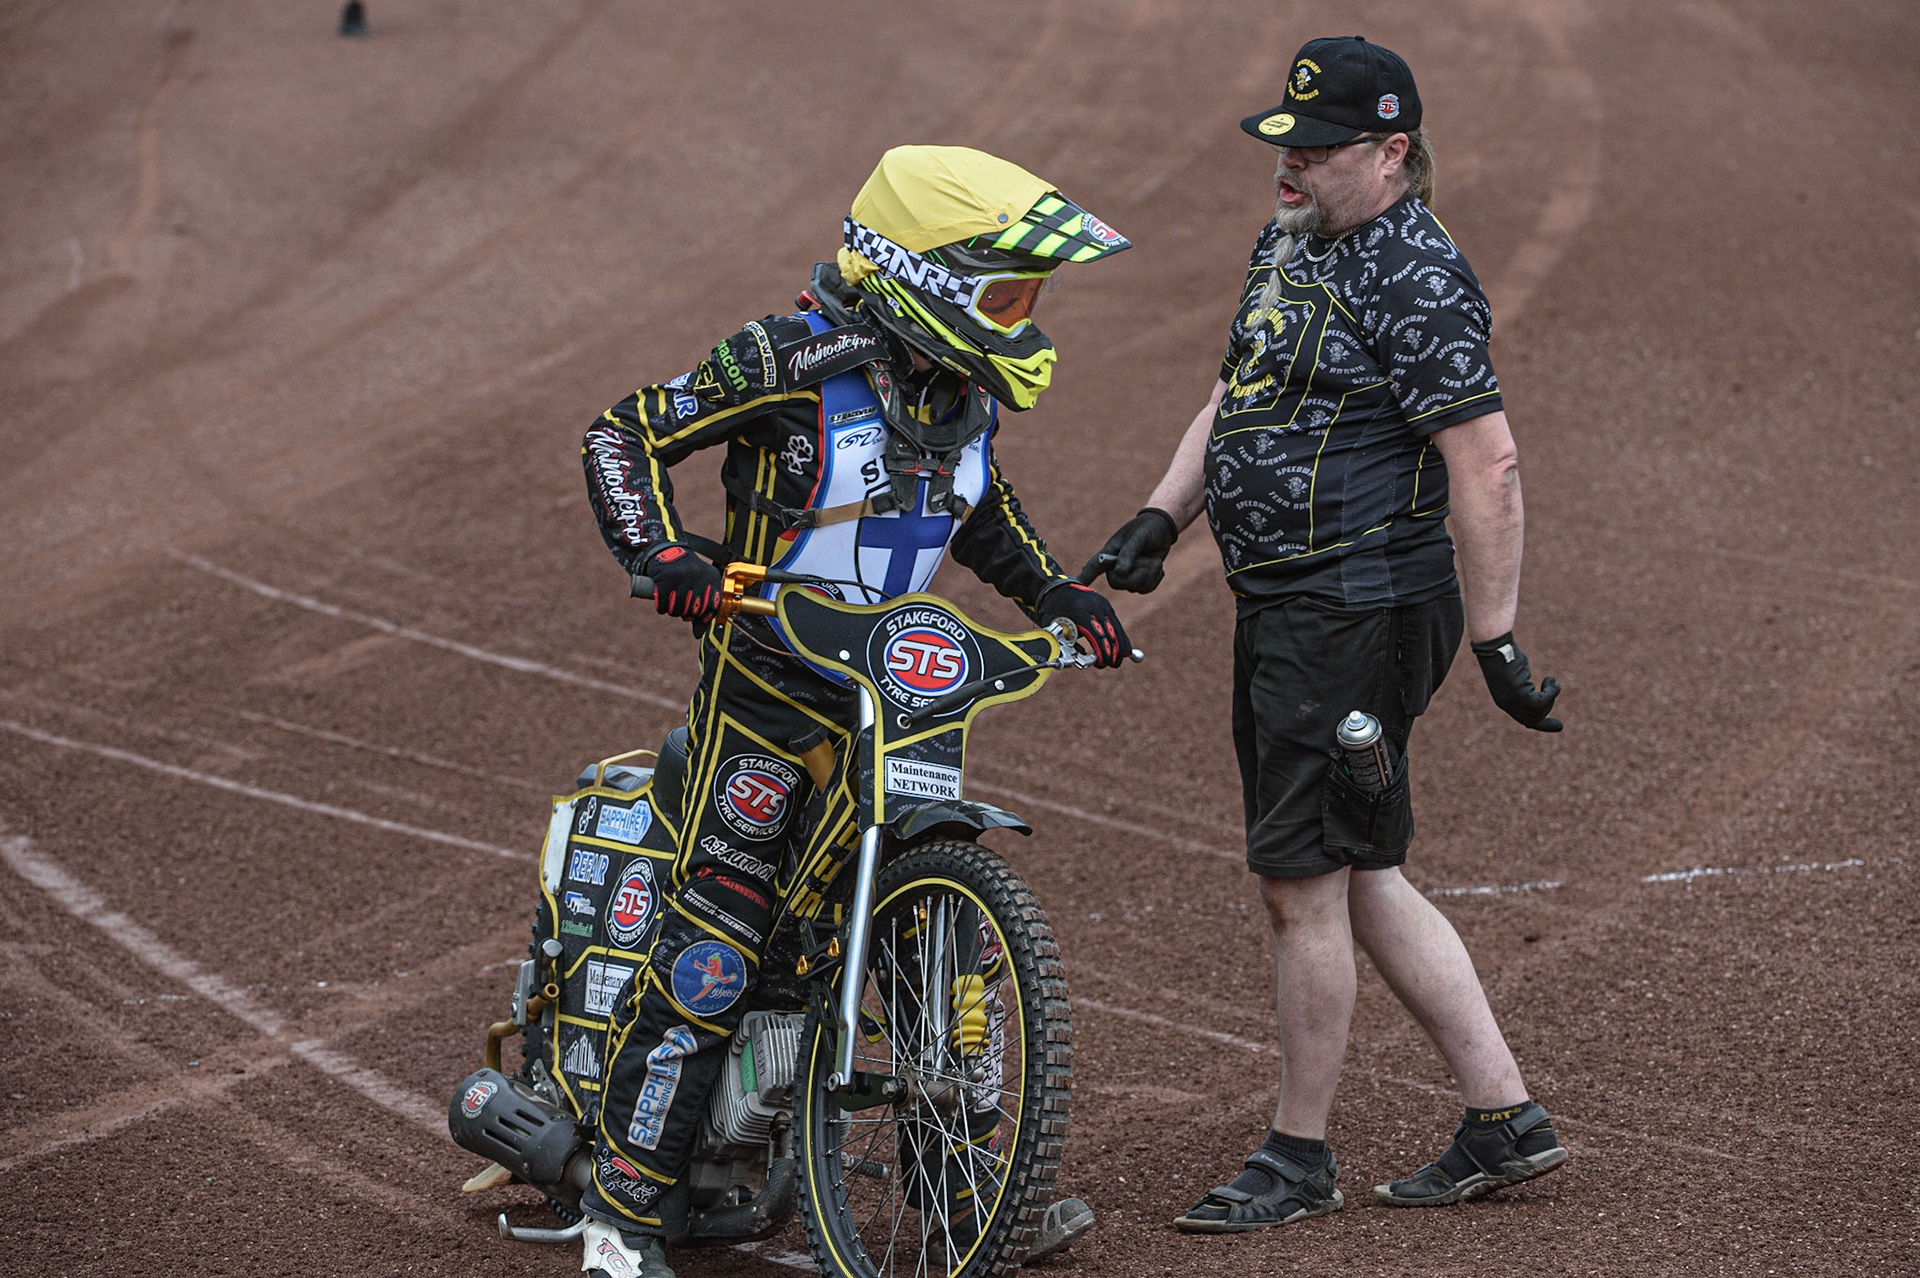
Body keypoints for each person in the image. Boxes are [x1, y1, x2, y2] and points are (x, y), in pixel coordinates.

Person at [577, 145, 1127, 1278]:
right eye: (1007, 295)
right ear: (924, 276)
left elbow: (976, 507)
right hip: (766, 697)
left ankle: (963, 1196)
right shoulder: (786, 359)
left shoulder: (957, 392)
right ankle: (619, 1216)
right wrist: (660, 551)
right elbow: (622, 433)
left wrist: (1056, 592)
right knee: (718, 945)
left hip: (897, 697)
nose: (1024, 319)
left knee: (934, 938)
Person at [1083, 35, 1568, 1233]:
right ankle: (1503, 1115)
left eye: (1315, 148)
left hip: (1355, 612)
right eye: (1283, 142)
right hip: (1294, 607)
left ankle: (1298, 1154)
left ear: (1392, 152)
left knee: (1302, 885)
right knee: (1361, 865)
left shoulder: (1416, 274)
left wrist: (1498, 640)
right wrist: (1161, 515)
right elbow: (1237, 393)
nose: (1287, 165)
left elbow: (1488, 462)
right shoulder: (1294, 240)